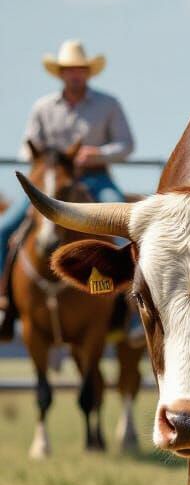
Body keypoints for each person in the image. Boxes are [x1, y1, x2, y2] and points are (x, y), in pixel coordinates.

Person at [0, 40, 134, 338]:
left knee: (124, 229)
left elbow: (126, 144)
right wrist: (47, 159)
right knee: (3, 228)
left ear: (88, 73)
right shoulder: (44, 107)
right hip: (50, 184)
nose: (75, 75)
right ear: (60, 74)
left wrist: (98, 154)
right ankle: (3, 303)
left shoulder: (107, 104)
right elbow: (26, 146)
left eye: (80, 70)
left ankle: (132, 307)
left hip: (95, 179)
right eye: (69, 70)